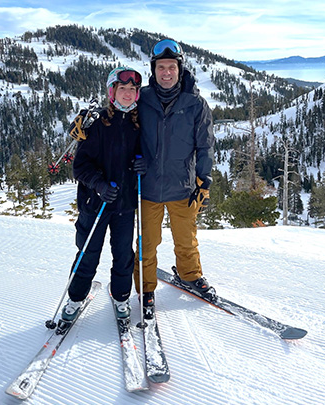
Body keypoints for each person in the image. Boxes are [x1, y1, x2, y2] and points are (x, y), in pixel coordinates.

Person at [134, 39, 215, 319]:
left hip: (183, 186)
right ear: (153, 70)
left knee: (186, 239)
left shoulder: (195, 104)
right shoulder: (140, 99)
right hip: (148, 187)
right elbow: (117, 124)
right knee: (147, 242)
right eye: (161, 67)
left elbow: (205, 146)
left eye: (171, 67)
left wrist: (204, 181)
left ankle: (190, 275)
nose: (166, 73)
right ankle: (146, 289)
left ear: (180, 70)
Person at [61, 66, 146, 322]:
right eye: (123, 88)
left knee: (123, 255)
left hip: (124, 203)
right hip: (94, 203)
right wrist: (99, 185)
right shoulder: (97, 124)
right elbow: (81, 166)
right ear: (112, 92)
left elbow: (146, 156)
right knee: (88, 253)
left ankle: (121, 297)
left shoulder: (138, 124)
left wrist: (144, 165)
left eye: (133, 89)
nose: (128, 93)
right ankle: (75, 298)